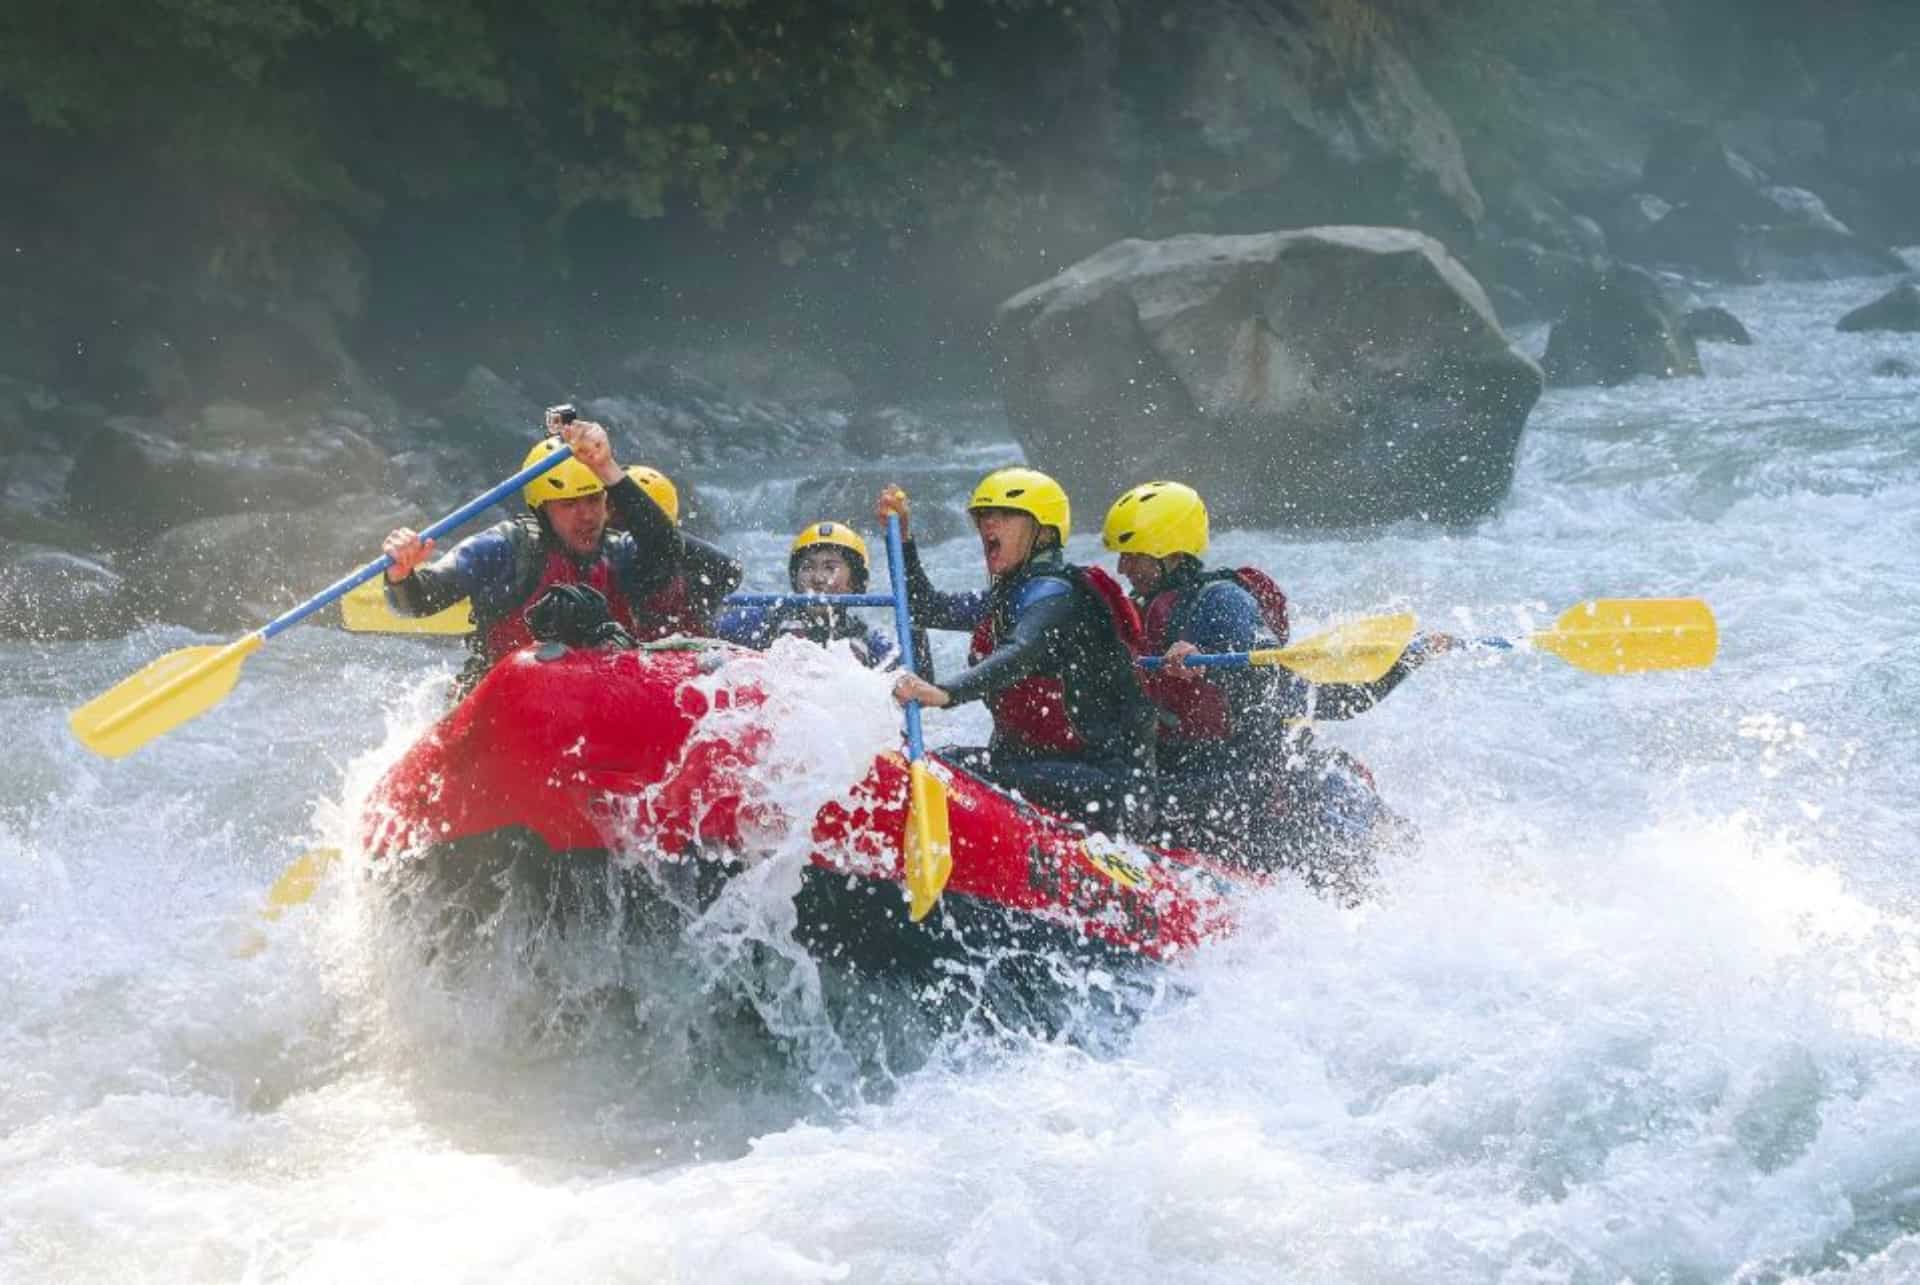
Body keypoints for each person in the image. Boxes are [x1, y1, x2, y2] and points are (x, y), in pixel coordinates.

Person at [1102, 479, 1455, 885]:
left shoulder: (1222, 602)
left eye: (1133, 555)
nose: (1123, 568)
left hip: (1246, 773)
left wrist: (1206, 668)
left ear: (1170, 550)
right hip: (1183, 765)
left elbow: (1276, 692)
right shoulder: (1140, 609)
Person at [879, 468, 1156, 837]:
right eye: (983, 515)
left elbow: (1022, 650)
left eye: (1004, 515)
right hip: (1031, 767)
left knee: (949, 775)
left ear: (1042, 531)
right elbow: (924, 608)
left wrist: (947, 692)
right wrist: (903, 541)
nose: (988, 524)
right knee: (931, 765)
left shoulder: (1059, 595)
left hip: (1102, 781)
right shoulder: (1005, 597)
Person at [382, 417, 733, 695]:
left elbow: (667, 551)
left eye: (594, 499)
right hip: (511, 709)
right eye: (569, 504)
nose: (587, 516)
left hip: (601, 705)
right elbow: (421, 600)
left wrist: (608, 468)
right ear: (542, 509)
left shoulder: (619, 552)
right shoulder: (505, 548)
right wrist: (401, 575)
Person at [710, 521, 927, 670]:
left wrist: (917, 628)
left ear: (855, 583)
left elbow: (915, 684)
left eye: (830, 568)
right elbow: (705, 635)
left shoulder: (869, 642)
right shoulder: (764, 622)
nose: (818, 578)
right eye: (807, 567)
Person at [608, 464, 744, 641]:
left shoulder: (673, 555)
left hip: (678, 651)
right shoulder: (607, 556)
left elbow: (730, 570)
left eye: (615, 514)